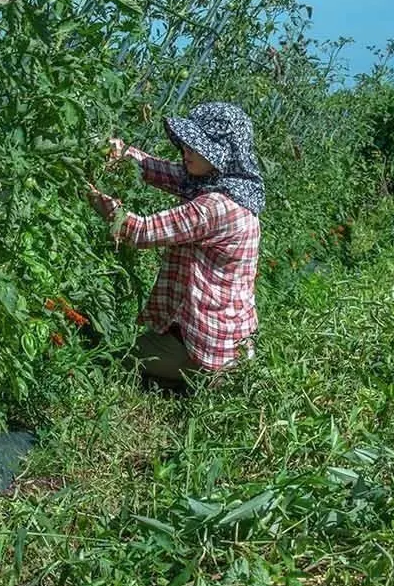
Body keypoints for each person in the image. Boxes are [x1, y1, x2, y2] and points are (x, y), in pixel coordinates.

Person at [86, 101, 264, 388]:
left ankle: (199, 378)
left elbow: (141, 231)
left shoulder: (217, 206)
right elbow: (158, 170)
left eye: (198, 146)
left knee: (109, 360)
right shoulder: (230, 186)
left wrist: (97, 199)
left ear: (223, 154)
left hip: (209, 347)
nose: (186, 151)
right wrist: (119, 152)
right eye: (187, 142)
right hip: (230, 338)